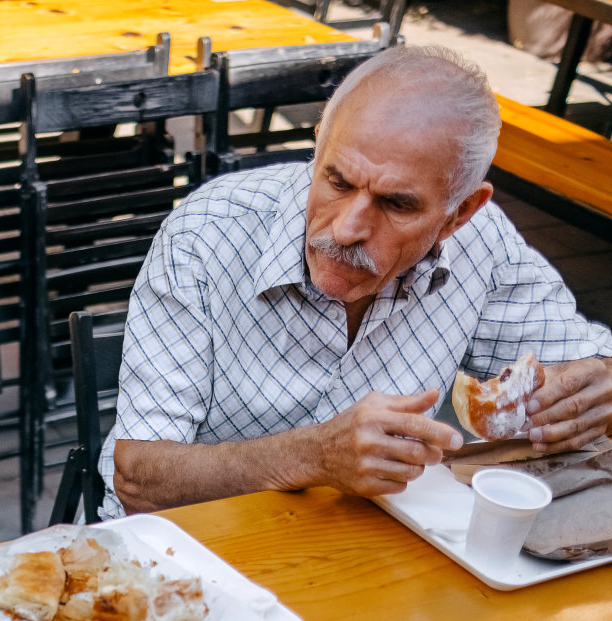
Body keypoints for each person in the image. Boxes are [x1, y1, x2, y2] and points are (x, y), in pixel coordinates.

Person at [101, 45, 612, 518]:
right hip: (195, 552)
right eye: (337, 181)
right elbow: (140, 476)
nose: (346, 229)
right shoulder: (209, 232)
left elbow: (589, 368)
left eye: (397, 204)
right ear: (320, 140)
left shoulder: (485, 246)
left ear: (460, 214)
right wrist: (313, 455)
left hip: (369, 551)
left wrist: (595, 389)